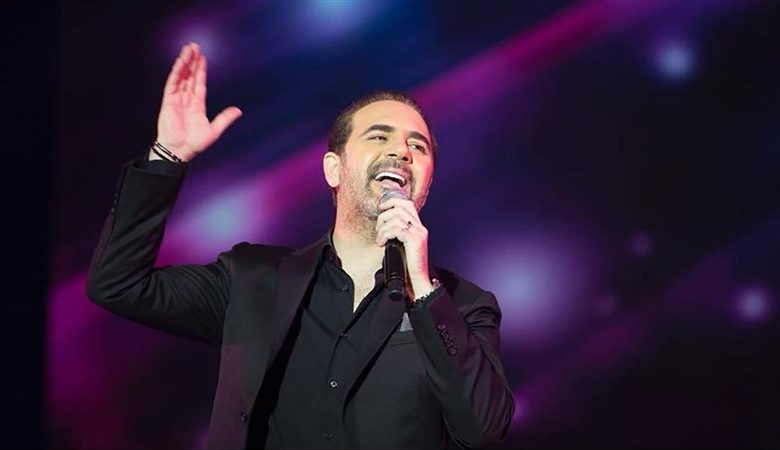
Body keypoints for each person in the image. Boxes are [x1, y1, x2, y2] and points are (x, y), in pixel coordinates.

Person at [87, 42, 514, 449]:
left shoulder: (463, 306)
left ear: (426, 185)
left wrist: (422, 288)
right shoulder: (252, 279)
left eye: (417, 146)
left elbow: (483, 429)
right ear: (334, 169)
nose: (401, 152)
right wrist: (167, 155)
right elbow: (118, 284)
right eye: (379, 137)